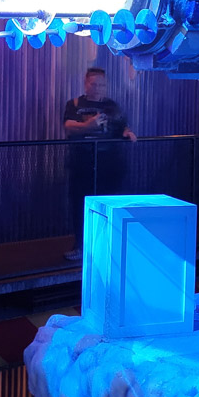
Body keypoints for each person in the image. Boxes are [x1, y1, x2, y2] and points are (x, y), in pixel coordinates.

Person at [63, 67, 136, 260]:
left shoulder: (112, 106)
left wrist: (127, 132)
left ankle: (108, 246)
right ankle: (81, 246)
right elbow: (68, 127)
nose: (97, 88)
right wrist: (88, 125)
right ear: (86, 84)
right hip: (82, 163)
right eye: (94, 84)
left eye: (101, 85)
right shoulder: (75, 104)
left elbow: (123, 125)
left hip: (109, 164)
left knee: (109, 204)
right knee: (80, 205)